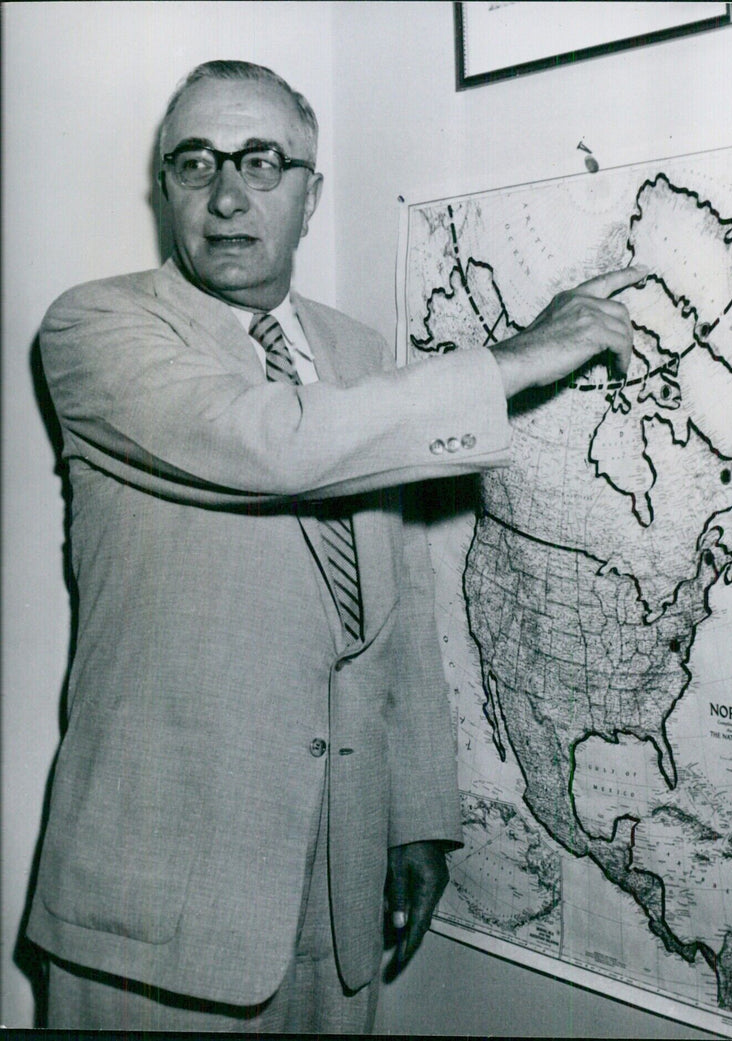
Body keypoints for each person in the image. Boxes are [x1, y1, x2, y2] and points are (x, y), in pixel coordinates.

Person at [27, 60, 643, 1032]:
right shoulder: (96, 328)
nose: (227, 195)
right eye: (195, 163)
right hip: (150, 911)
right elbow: (270, 444)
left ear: (311, 196)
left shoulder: (356, 352)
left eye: (261, 162)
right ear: (163, 190)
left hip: (335, 889)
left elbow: (392, 609)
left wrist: (416, 820)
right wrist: (516, 359)